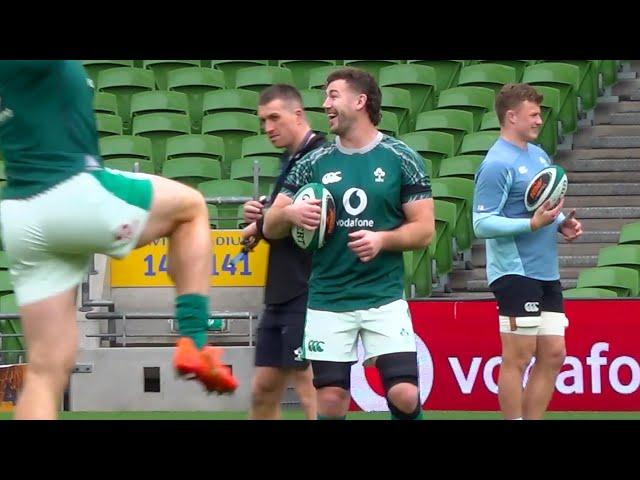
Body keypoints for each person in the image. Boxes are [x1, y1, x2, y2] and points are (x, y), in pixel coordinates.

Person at [0, 60, 237, 420]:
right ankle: (194, 340)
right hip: (70, 190)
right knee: (191, 208)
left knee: (45, 371)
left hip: (20, 214)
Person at [262, 68, 434, 420]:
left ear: (361, 101)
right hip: (328, 299)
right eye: (325, 96)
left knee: (404, 393)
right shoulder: (312, 162)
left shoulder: (401, 158)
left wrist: (383, 239)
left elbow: (424, 230)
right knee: (330, 400)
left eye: (333, 95)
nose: (325, 103)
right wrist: (291, 213)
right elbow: (270, 223)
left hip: (382, 297)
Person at [472, 83, 583, 420]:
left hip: (546, 270)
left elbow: (543, 201)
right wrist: (531, 226)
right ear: (511, 117)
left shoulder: (537, 155)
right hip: (515, 271)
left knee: (553, 353)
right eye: (533, 114)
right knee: (518, 356)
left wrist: (561, 221)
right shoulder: (496, 163)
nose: (539, 120)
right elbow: (482, 224)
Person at [241, 84, 325, 420]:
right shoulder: (289, 160)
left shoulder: (320, 157)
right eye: (263, 121)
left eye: (274, 118)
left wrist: (269, 220)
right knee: (263, 388)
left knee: (309, 384)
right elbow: (281, 216)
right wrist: (261, 219)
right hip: (280, 286)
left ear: (298, 114)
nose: (268, 128)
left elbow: (315, 217)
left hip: (308, 285)